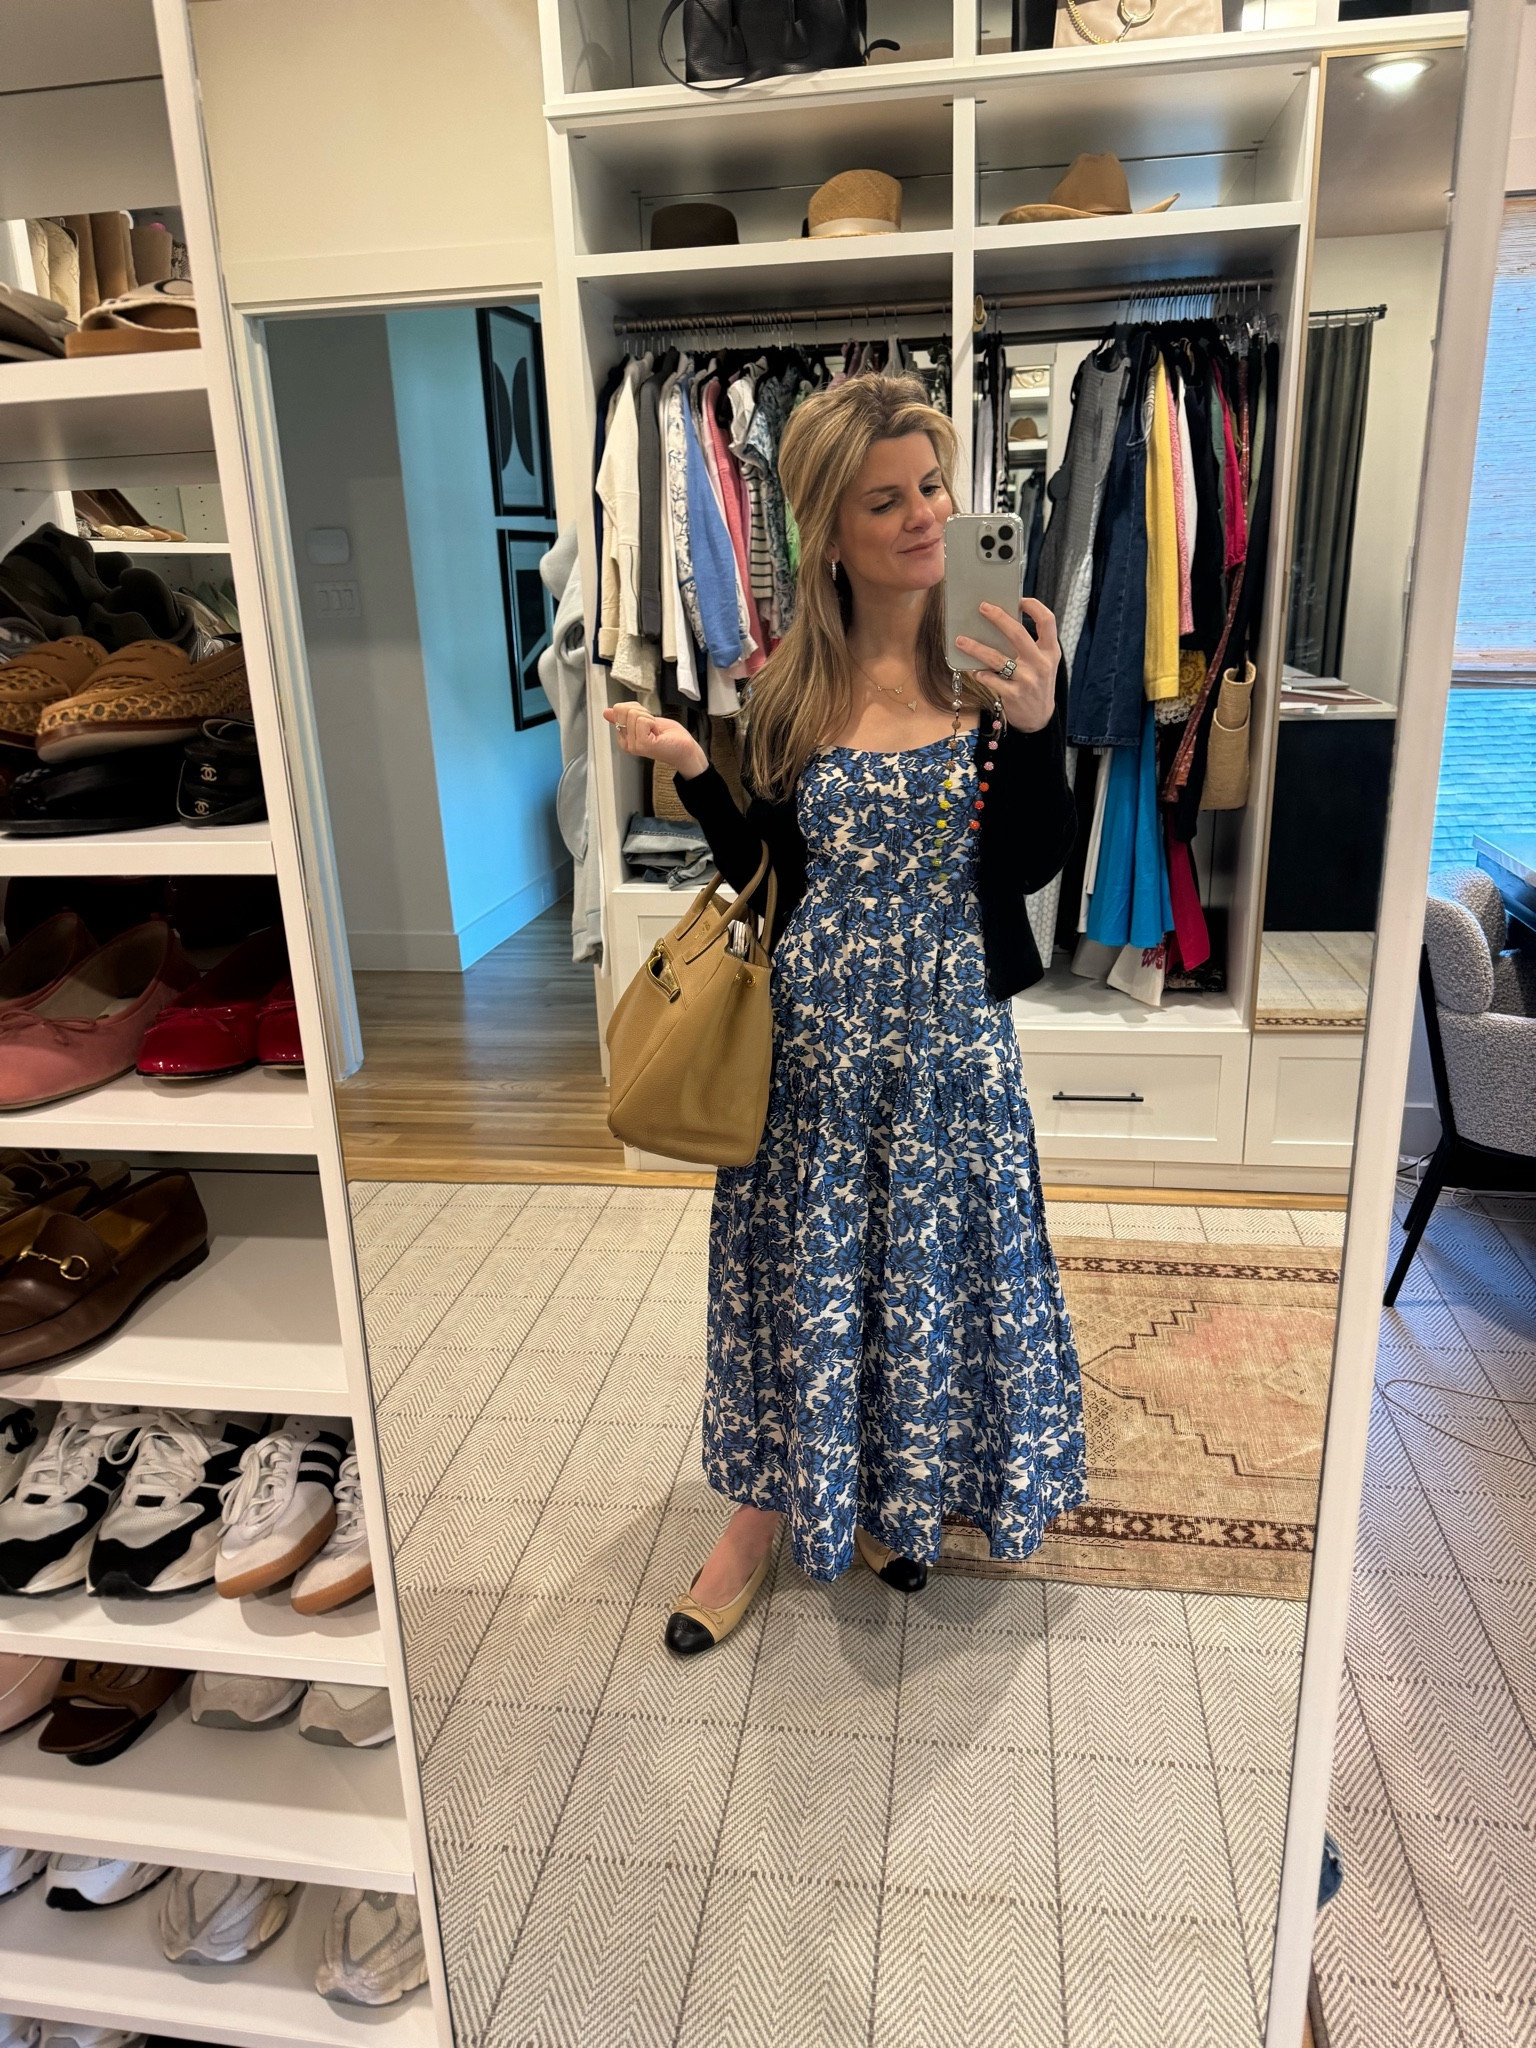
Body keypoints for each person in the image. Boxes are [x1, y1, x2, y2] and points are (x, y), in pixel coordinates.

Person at [603, 374, 1086, 1656]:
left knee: (920, 1282)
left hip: (948, 1048)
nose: (925, 515)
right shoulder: (791, 694)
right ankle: (759, 1513)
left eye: (931, 485)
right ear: (827, 531)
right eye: (887, 500)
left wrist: (1038, 726)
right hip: (813, 1051)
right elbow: (774, 878)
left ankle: (887, 1490)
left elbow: (1032, 862)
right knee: (800, 1283)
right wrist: (697, 774)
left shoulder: (997, 668)